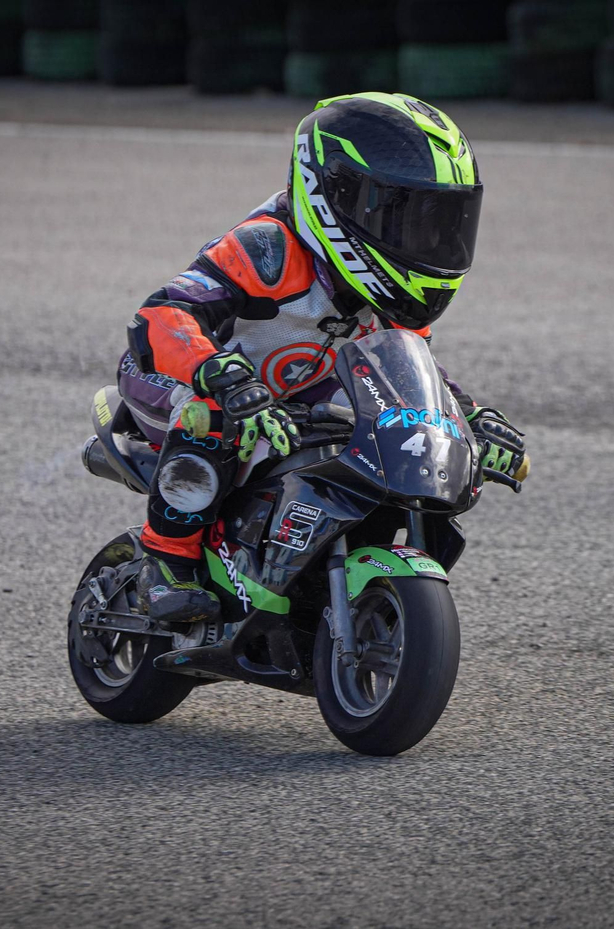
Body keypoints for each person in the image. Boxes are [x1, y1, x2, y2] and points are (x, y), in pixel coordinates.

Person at [117, 91, 528, 624]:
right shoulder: (268, 248)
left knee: (384, 433)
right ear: (334, 195)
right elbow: (161, 316)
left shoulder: (390, 297)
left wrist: (470, 418)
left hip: (288, 395)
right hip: (180, 375)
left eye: (442, 223)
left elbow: (411, 369)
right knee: (209, 416)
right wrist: (217, 373)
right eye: (408, 222)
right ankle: (165, 564)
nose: (429, 242)